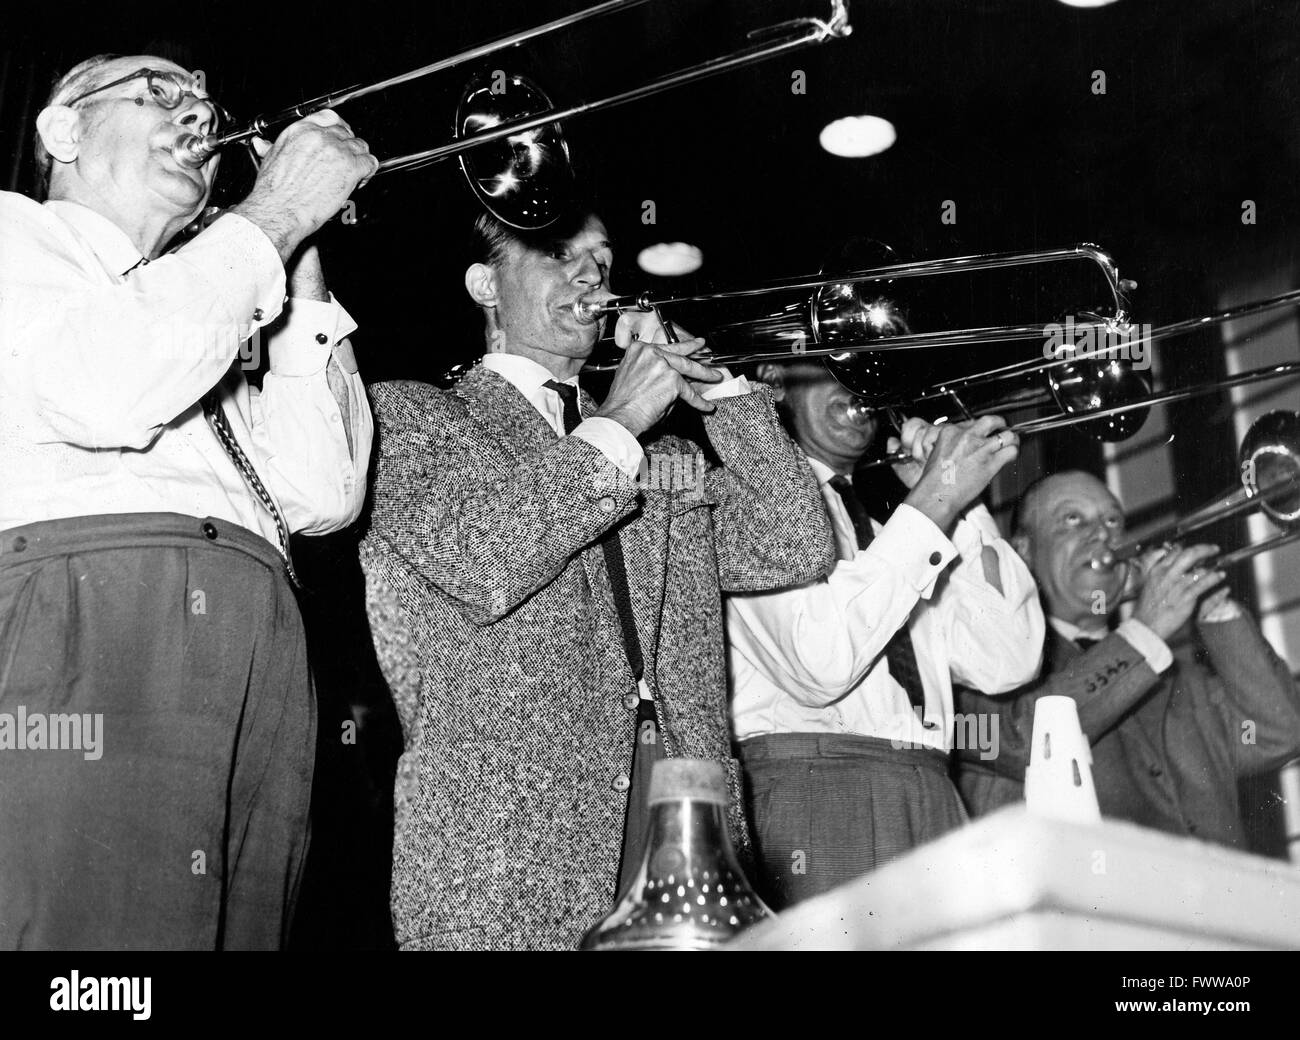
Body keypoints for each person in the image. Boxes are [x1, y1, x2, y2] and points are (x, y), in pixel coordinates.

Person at [359, 207, 835, 950]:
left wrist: (728, 396)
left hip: (684, 818)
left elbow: (793, 545)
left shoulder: (662, 449)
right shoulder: (412, 416)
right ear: (484, 284)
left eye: (602, 259)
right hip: (509, 847)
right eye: (557, 254)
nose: (591, 276)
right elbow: (484, 559)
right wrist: (619, 418)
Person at [0, 54, 377, 949]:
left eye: (207, 102)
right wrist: (272, 213)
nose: (199, 119)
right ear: (63, 132)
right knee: (92, 948)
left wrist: (298, 254)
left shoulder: (207, 296)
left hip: (254, 639)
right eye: (158, 92)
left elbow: (324, 491)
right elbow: (102, 387)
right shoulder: (19, 237)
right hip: (98, 611)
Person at [725, 360, 1045, 909]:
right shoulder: (744, 505)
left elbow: (1009, 659)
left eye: (871, 370)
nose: (859, 388)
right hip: (818, 793)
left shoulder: (892, 537)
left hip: (932, 791)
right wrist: (933, 502)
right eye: (832, 364)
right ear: (775, 381)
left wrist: (959, 504)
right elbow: (820, 665)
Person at [953, 470, 1300, 850]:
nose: (1103, 534)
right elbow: (1019, 741)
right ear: (1023, 551)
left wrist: (1213, 608)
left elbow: (1278, 733)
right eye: (1073, 520)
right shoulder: (982, 668)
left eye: (1113, 520)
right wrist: (1144, 632)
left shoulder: (1178, 678)